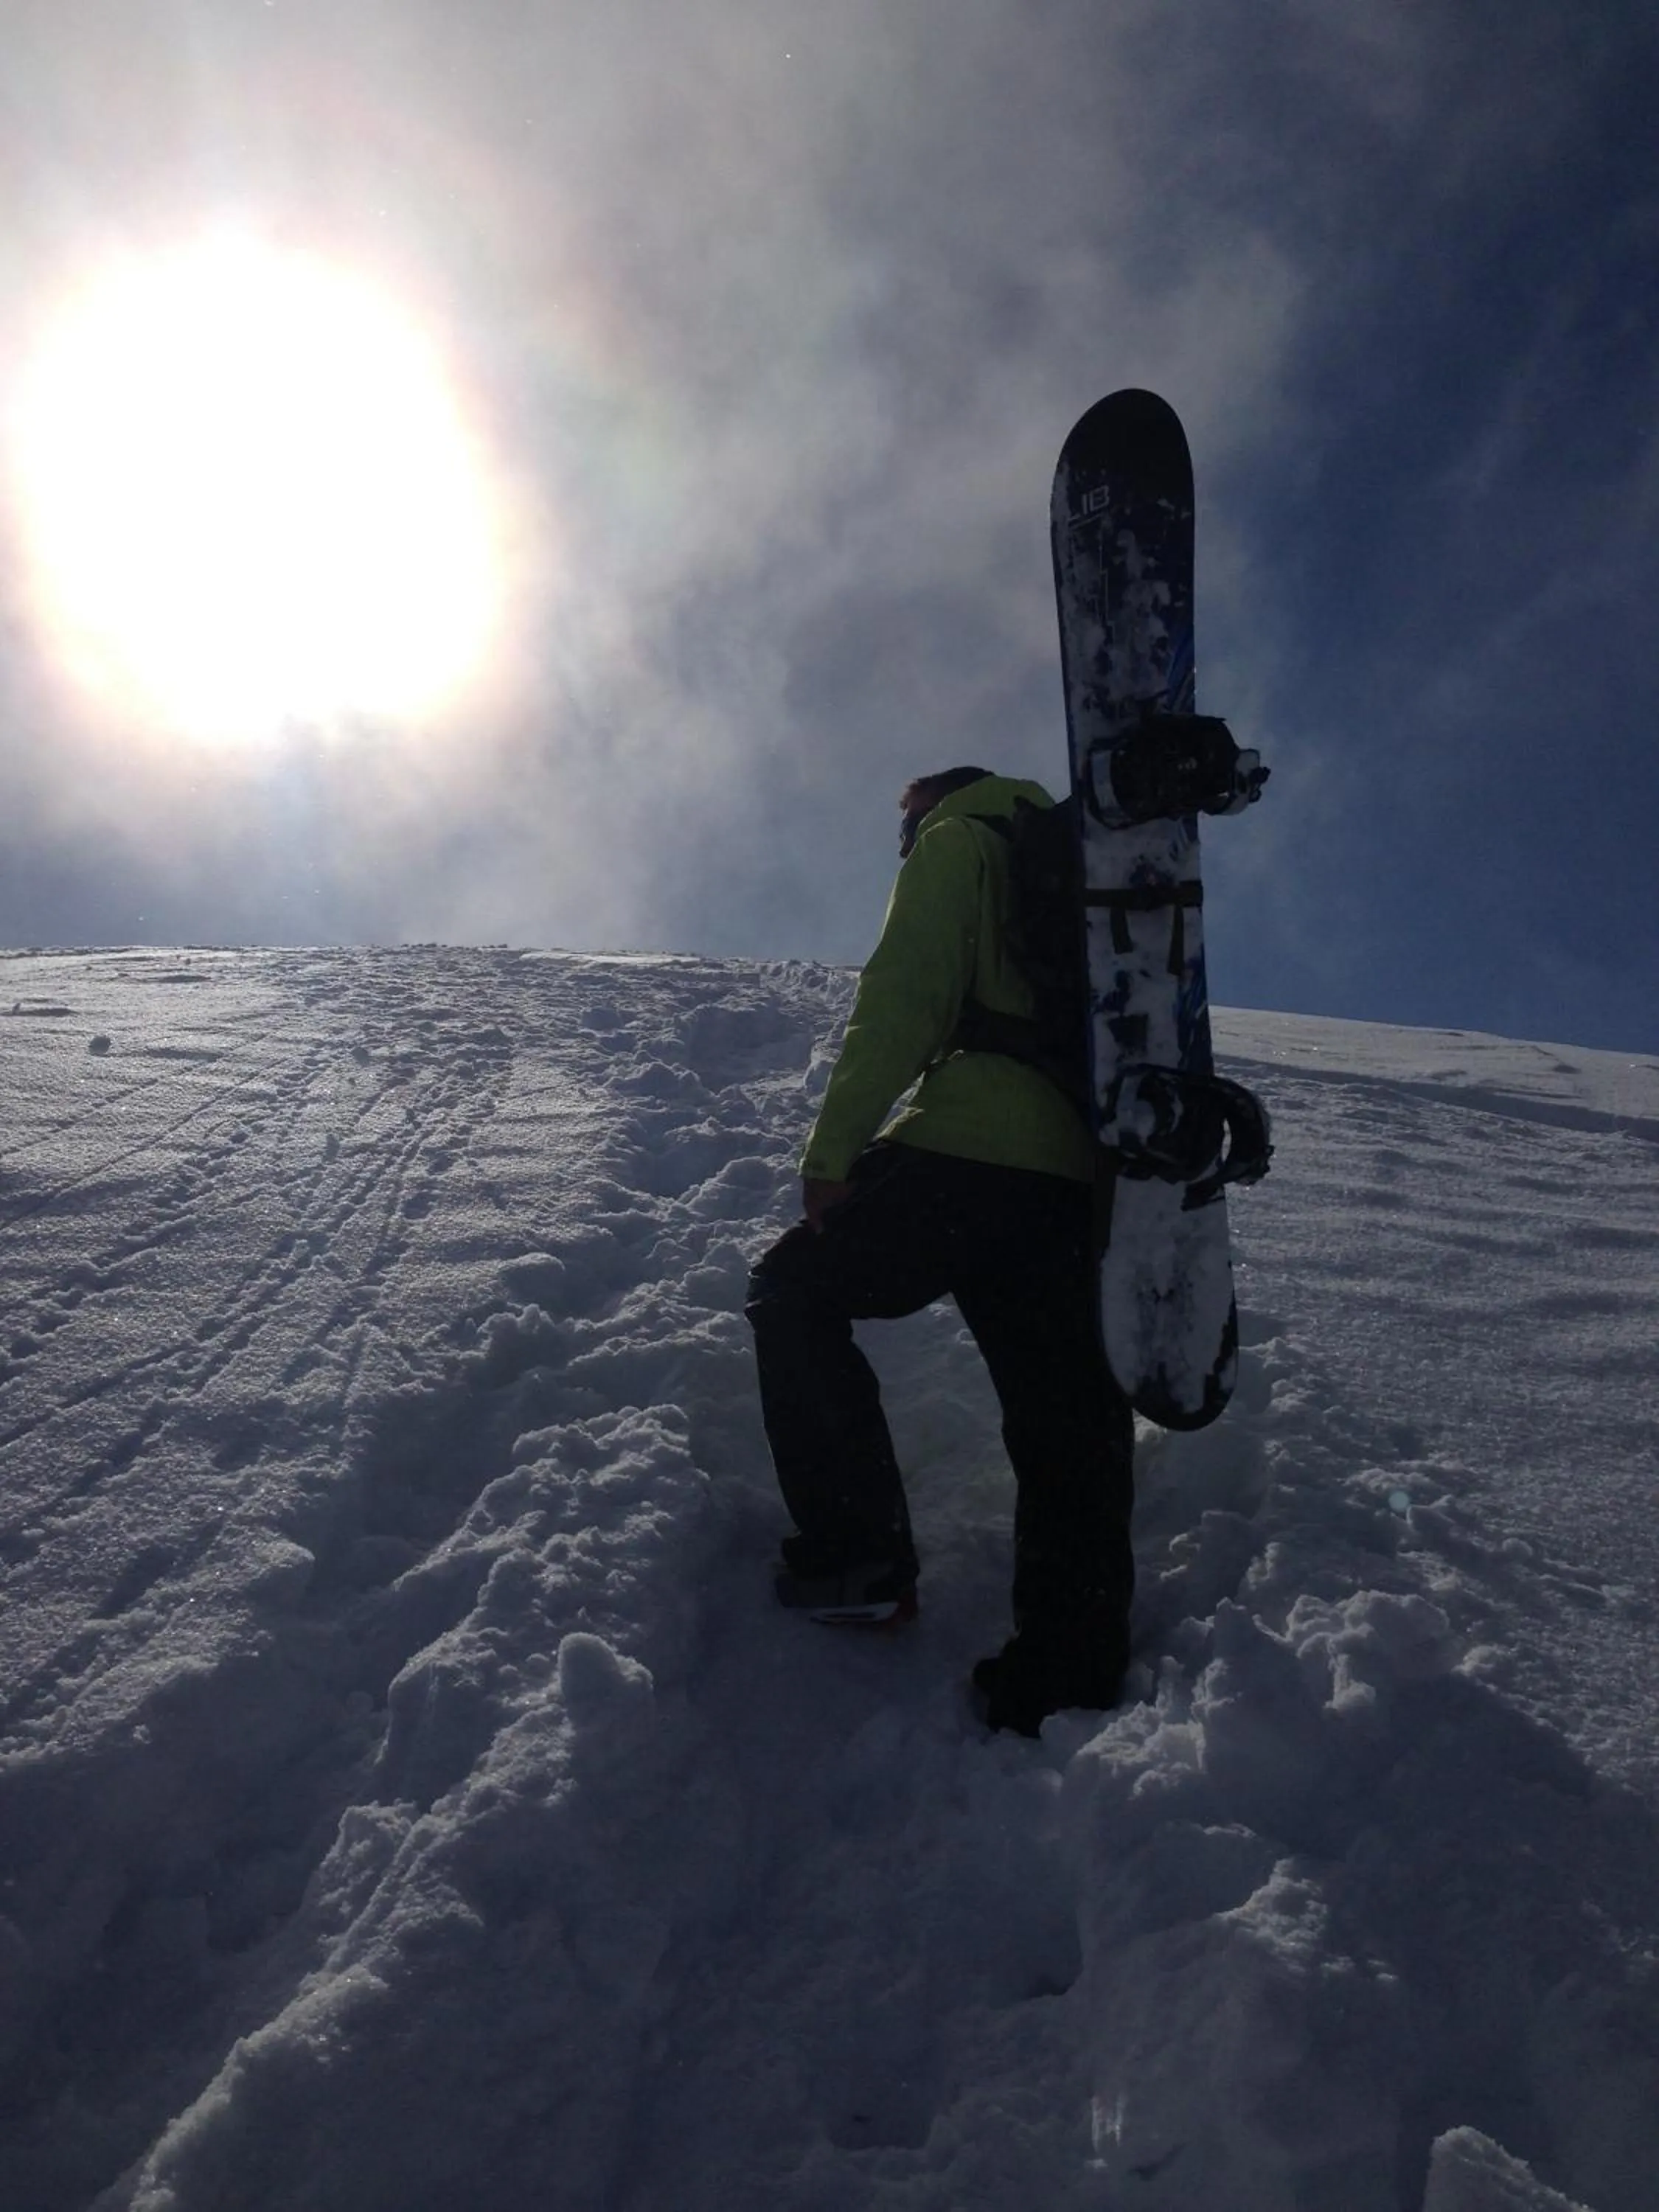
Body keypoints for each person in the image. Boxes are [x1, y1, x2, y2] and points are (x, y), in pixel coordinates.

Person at [744, 766, 1136, 1735]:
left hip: (963, 1154)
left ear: (931, 805)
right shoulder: (1083, 874)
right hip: (1070, 1185)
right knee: (1064, 1426)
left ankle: (856, 1562)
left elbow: (906, 993)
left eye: (902, 823)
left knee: (791, 1290)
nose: (902, 840)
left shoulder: (959, 844)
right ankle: (1065, 1670)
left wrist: (831, 1153)